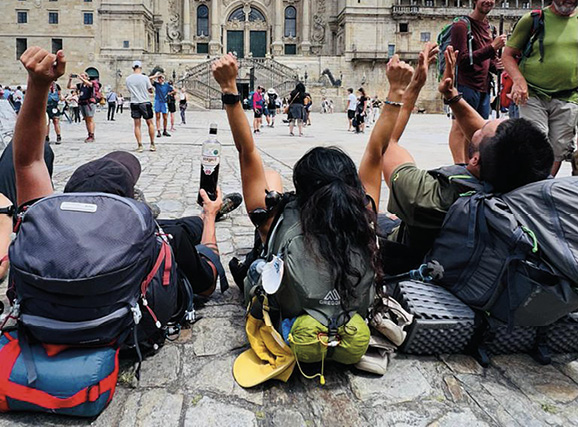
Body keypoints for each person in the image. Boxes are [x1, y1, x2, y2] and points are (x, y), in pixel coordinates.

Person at [210, 54, 409, 357]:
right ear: (350, 188)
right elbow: (376, 151)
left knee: (270, 183)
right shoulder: (364, 213)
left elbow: (247, 151)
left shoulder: (273, 217)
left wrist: (229, 87)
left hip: (294, 315)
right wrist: (396, 91)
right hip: (348, 319)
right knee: (271, 183)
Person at [10, 46, 241, 303]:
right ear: (128, 203)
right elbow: (207, 283)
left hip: (46, 323)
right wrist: (209, 218)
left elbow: (28, 162)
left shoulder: (42, 236)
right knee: (185, 228)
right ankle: (209, 214)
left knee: (186, 225)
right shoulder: (160, 241)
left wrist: (37, 84)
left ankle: (199, 216)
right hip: (128, 326)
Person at [378, 43, 554, 271]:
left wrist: (412, 88)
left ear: (475, 160)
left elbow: (386, 144)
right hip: (472, 265)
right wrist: (452, 96)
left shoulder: (427, 195)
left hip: (410, 257)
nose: (480, 125)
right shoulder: (526, 182)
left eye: (483, 129)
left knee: (372, 214)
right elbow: (493, 143)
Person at [503, 0, 578, 176]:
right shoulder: (534, 19)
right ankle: (534, 188)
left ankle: (545, 184)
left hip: (568, 95)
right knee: (537, 140)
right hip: (533, 94)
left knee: (560, 147)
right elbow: (508, 54)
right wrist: (519, 81)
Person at [448, 0, 507, 163]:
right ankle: (459, 166)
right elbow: (462, 60)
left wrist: (496, 66)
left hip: (484, 87)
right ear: (475, 0)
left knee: (478, 131)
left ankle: (471, 164)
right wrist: (492, 47)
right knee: (459, 128)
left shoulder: (490, 29)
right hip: (465, 84)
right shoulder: (461, 25)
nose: (488, 1)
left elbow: (485, 62)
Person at [126, 61, 157, 152]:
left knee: (137, 125)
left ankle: (140, 145)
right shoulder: (145, 78)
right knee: (150, 123)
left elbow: (129, 91)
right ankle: (152, 144)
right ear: (140, 68)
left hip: (134, 102)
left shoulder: (128, 79)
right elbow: (150, 90)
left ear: (133, 68)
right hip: (145, 102)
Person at [67, 71, 96, 143]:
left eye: (84, 76)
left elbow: (91, 85)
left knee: (90, 118)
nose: (82, 78)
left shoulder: (90, 84)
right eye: (81, 76)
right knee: (86, 119)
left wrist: (81, 78)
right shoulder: (80, 85)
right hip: (82, 102)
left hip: (89, 103)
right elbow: (69, 87)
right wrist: (70, 79)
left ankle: (91, 135)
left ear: (87, 77)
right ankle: (89, 133)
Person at [151, 73, 175, 138]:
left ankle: (164, 130)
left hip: (164, 102)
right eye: (159, 78)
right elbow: (149, 78)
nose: (160, 79)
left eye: (161, 78)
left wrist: (169, 93)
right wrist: (156, 75)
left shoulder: (167, 85)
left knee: (165, 117)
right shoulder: (157, 84)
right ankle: (158, 131)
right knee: (157, 116)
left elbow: (174, 90)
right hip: (157, 101)